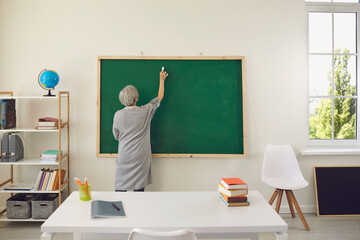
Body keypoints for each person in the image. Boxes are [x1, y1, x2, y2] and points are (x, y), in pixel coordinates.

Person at [112, 70, 168, 192]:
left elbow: (116, 135)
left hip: (124, 156)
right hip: (140, 157)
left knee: (120, 190)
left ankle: (119, 210)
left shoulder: (118, 115)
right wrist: (162, 80)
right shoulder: (145, 111)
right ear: (136, 98)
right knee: (139, 192)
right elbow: (159, 98)